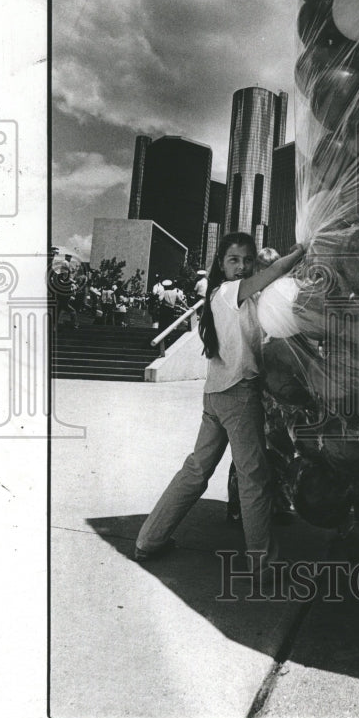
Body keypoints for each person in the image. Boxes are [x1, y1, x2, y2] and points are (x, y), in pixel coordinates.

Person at [134, 232, 306, 582]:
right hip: (238, 396)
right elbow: (270, 275)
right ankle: (263, 565)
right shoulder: (227, 292)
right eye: (234, 260)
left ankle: (148, 541)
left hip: (217, 395)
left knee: (196, 471)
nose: (242, 266)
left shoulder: (236, 297)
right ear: (220, 263)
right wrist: (300, 251)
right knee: (254, 478)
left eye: (247, 260)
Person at [226, 246, 280, 524]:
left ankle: (274, 503)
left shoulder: (277, 297)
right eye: (266, 268)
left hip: (273, 386)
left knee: (275, 447)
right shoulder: (249, 298)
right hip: (251, 383)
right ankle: (238, 506)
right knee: (248, 449)